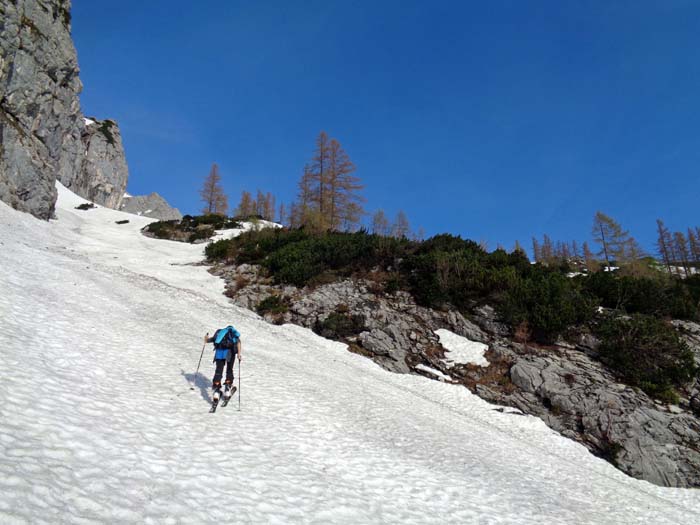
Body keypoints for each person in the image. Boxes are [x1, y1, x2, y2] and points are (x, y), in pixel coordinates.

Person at [204, 325, 242, 401]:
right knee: (229, 369)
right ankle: (227, 389)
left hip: (219, 352)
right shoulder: (233, 333)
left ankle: (216, 391)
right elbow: (238, 342)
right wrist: (239, 354)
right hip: (229, 353)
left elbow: (208, 340)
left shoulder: (219, 333)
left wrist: (206, 337)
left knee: (218, 370)